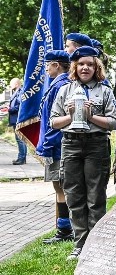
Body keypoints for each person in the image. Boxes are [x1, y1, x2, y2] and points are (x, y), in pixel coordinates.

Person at [49, 45, 116, 260]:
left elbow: (115, 122)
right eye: (81, 64)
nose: (85, 68)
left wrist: (90, 116)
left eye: (90, 64)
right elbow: (54, 122)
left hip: (95, 145)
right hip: (71, 144)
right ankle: (80, 244)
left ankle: (96, 245)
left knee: (95, 195)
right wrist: (72, 116)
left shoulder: (105, 91)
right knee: (74, 195)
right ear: (75, 67)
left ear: (96, 66)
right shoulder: (65, 90)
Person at [36, 50, 74, 243]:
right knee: (59, 188)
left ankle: (65, 231)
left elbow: (55, 121)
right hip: (56, 145)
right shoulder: (58, 84)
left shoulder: (61, 86)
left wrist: (48, 146)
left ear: (57, 65)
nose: (46, 68)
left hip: (58, 146)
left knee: (62, 188)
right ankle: (64, 229)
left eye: (47, 65)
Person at [7, 78, 27, 165]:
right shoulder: (17, 92)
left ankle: (21, 158)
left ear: (16, 84)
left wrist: (10, 109)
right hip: (16, 119)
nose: (10, 86)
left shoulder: (20, 92)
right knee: (22, 139)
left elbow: (20, 105)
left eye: (11, 84)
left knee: (20, 139)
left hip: (18, 119)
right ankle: (22, 158)